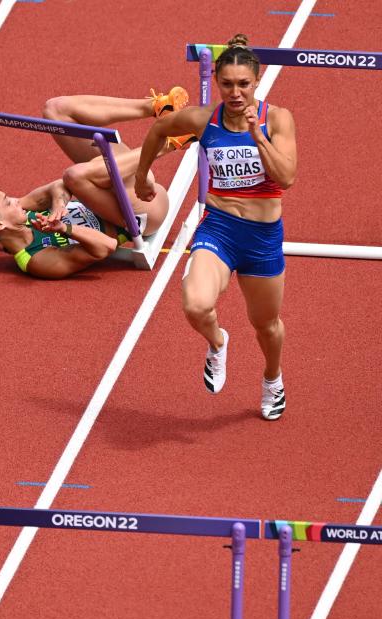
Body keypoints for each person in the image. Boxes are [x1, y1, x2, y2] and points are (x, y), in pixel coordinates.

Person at [134, 34, 297, 420]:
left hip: (261, 238)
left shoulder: (278, 118)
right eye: (227, 84)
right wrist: (143, 175)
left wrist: (258, 138)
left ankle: (272, 378)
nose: (235, 93)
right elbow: (159, 129)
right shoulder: (204, 119)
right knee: (195, 304)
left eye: (243, 84)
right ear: (218, 83)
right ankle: (217, 341)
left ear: (257, 82)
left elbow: (287, 178)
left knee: (266, 324)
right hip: (219, 228)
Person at [0, 89, 193, 279]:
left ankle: (158, 107)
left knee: (55, 110)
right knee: (75, 176)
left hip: (115, 184)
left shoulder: (23, 214)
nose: (16, 200)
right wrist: (63, 228)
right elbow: (107, 247)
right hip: (141, 212)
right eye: (8, 202)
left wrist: (58, 204)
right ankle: (168, 142)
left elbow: (56, 187)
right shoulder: (36, 259)